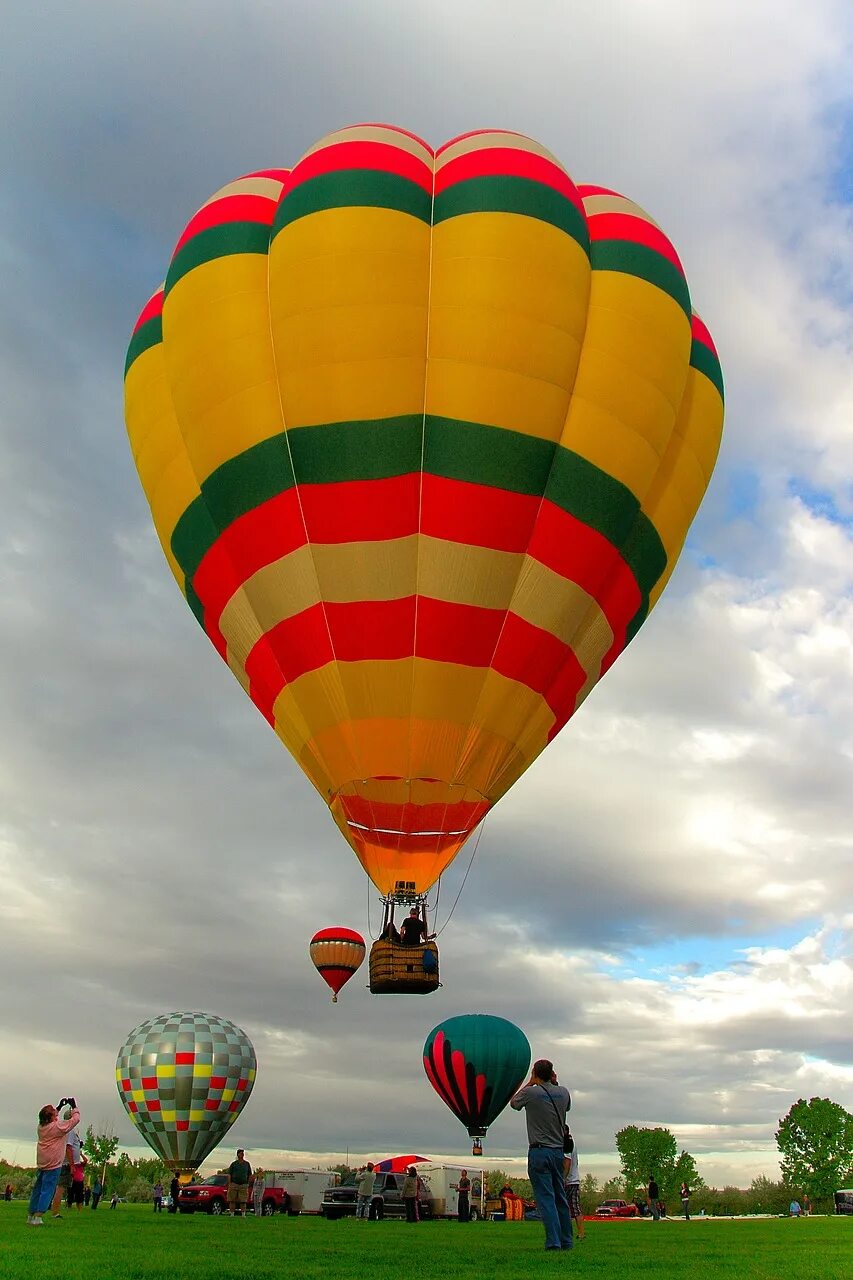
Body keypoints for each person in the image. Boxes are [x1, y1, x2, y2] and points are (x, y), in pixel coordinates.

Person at [510, 1059, 572, 1251]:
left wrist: (531, 1081)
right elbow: (567, 1107)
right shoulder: (563, 1092)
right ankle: (566, 1240)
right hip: (558, 1152)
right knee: (560, 1197)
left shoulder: (531, 1092)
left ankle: (553, 1241)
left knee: (545, 1197)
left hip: (539, 1151)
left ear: (535, 1073)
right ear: (553, 1073)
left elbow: (514, 1103)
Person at [27, 1099, 81, 1226]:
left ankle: (30, 1215)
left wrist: (58, 1107)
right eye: (53, 1112)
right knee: (48, 1189)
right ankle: (38, 1216)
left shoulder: (41, 1127)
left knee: (38, 1189)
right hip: (53, 1163)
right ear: (51, 1117)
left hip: (42, 1162)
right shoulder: (56, 1127)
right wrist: (74, 1108)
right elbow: (75, 1120)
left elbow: (52, 1119)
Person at [564, 1135, 585, 1241]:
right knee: (575, 1208)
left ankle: (567, 1233)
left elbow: (567, 1162)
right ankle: (581, 1233)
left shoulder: (567, 1143)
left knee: (565, 1208)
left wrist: (563, 1178)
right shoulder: (573, 1143)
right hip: (575, 1180)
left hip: (569, 1182)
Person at [227, 1149, 252, 1216]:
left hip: (243, 1185)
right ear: (237, 1154)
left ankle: (243, 1214)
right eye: (240, 1153)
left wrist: (248, 1183)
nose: (242, 1155)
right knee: (232, 1200)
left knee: (243, 1201)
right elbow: (229, 1174)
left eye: (243, 1153)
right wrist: (230, 1183)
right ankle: (232, 1214)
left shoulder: (247, 1164)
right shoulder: (234, 1164)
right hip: (234, 1184)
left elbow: (249, 1174)